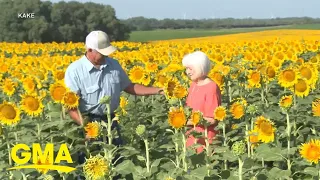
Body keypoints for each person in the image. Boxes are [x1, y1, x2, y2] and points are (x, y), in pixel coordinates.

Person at [64, 30, 164, 179]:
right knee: (89, 167)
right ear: (89, 50)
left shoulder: (113, 65)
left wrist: (158, 90)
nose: (106, 55)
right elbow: (70, 106)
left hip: (111, 122)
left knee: (115, 163)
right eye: (102, 52)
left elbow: (129, 87)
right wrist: (86, 126)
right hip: (87, 122)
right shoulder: (75, 70)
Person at [182, 51, 222, 154]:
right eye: (186, 68)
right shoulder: (193, 85)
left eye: (190, 68)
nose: (187, 72)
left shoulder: (211, 87)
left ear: (200, 66)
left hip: (204, 138)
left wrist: (185, 122)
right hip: (191, 136)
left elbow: (212, 119)